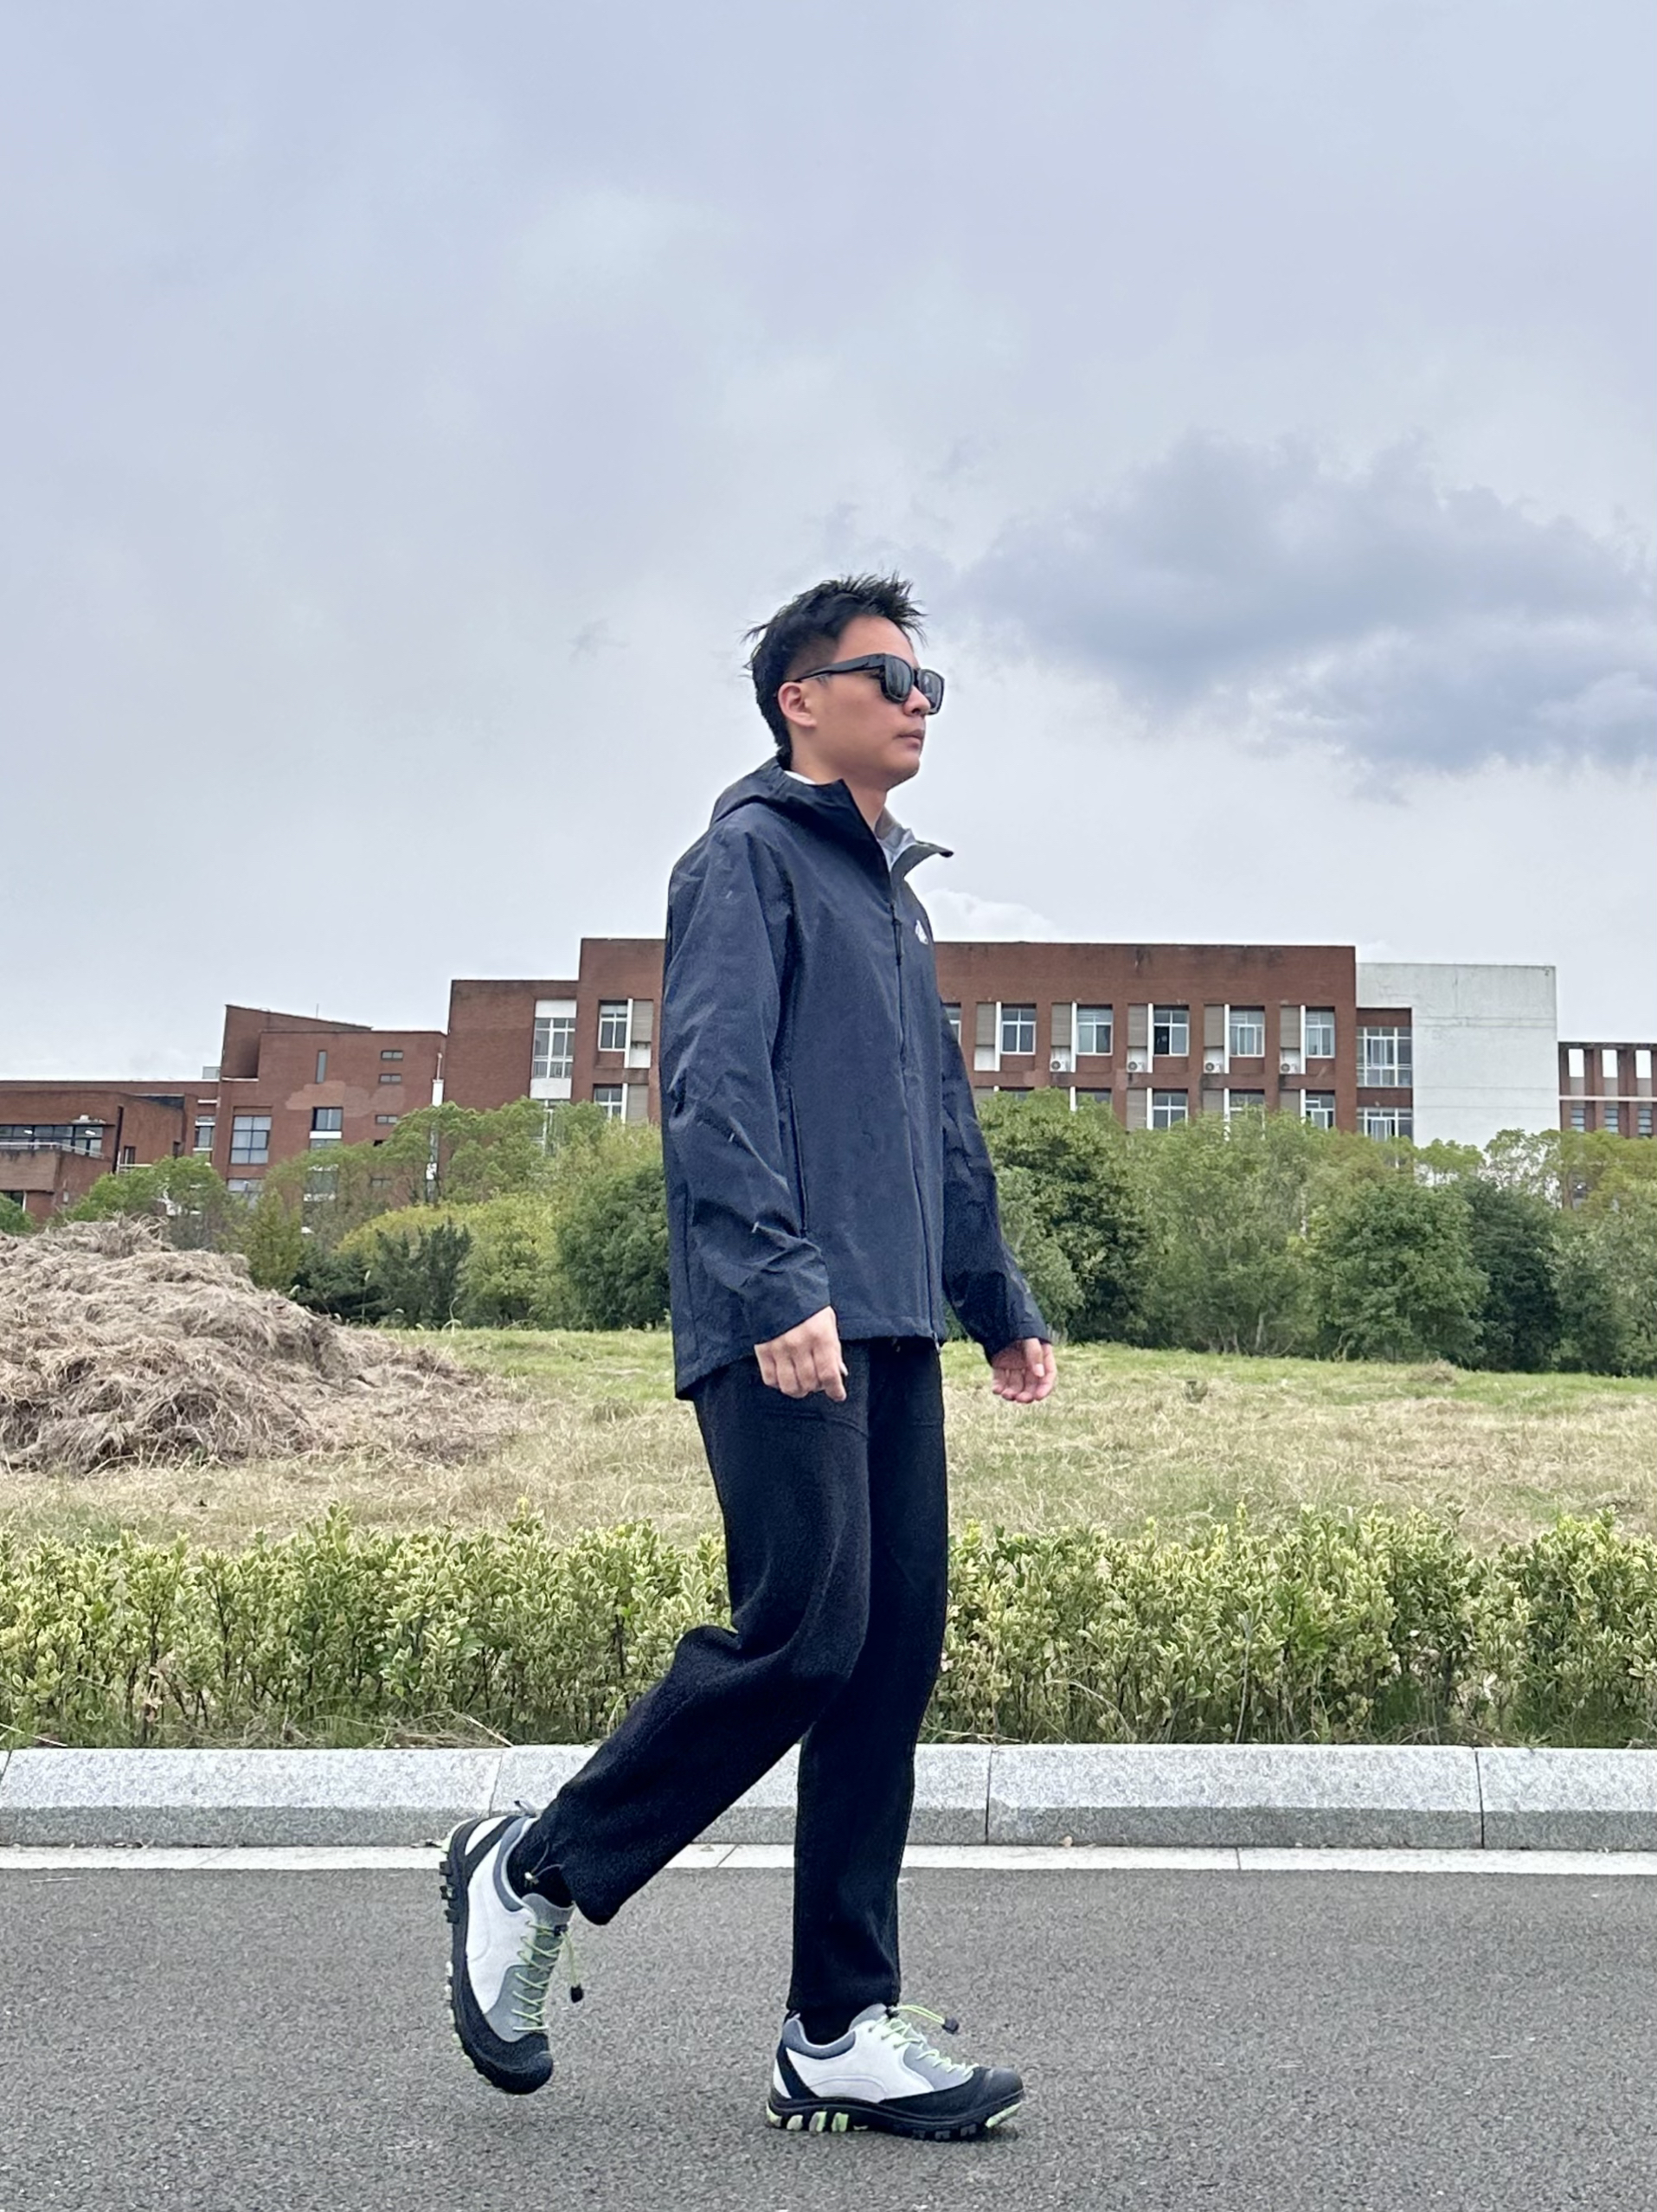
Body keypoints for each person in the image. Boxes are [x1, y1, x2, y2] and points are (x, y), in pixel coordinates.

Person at [440, 574, 1056, 2139]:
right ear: (802, 698)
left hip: (893, 1323)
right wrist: (777, 1281)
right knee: (807, 1632)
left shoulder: (896, 902)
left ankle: (838, 2027)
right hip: (781, 1319)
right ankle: (536, 1868)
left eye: (930, 684)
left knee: (888, 1660)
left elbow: (940, 1123)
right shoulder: (745, 861)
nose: (920, 703)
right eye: (890, 677)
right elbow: (711, 1086)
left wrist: (996, 1300)